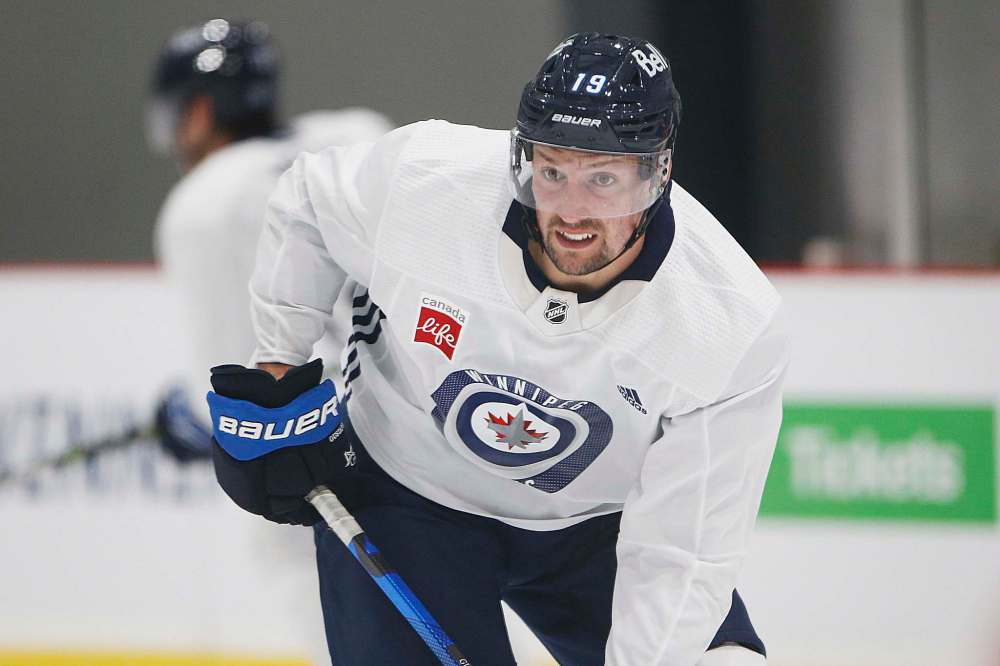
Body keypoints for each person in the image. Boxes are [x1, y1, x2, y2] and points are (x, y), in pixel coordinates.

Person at [208, 33, 787, 666]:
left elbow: (683, 553)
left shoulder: (724, 322)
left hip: (596, 526)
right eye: (553, 171)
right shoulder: (428, 183)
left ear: (657, 172)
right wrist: (279, 364)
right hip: (403, 493)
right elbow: (309, 204)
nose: (570, 210)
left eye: (603, 177)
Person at [147, 18, 394, 459]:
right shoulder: (357, 139)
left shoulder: (204, 203)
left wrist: (194, 419)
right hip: (431, 412)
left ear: (200, 114)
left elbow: (237, 396)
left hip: (328, 448)